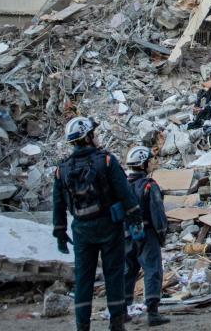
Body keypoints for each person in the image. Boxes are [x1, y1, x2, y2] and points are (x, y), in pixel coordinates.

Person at [53, 116, 143, 331]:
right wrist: (135, 220)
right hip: (109, 227)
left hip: (81, 229)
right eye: (94, 132)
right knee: (114, 274)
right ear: (88, 136)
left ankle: (82, 325)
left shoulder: (62, 169)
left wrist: (60, 232)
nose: (97, 135)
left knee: (83, 279)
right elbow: (125, 194)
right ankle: (116, 323)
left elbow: (58, 203)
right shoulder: (107, 161)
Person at [124, 146, 170, 326]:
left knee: (128, 272)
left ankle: (123, 310)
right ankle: (152, 312)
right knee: (152, 270)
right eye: (150, 160)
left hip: (126, 235)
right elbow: (157, 214)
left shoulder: (123, 186)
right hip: (147, 233)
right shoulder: (149, 185)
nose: (153, 163)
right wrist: (161, 235)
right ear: (143, 164)